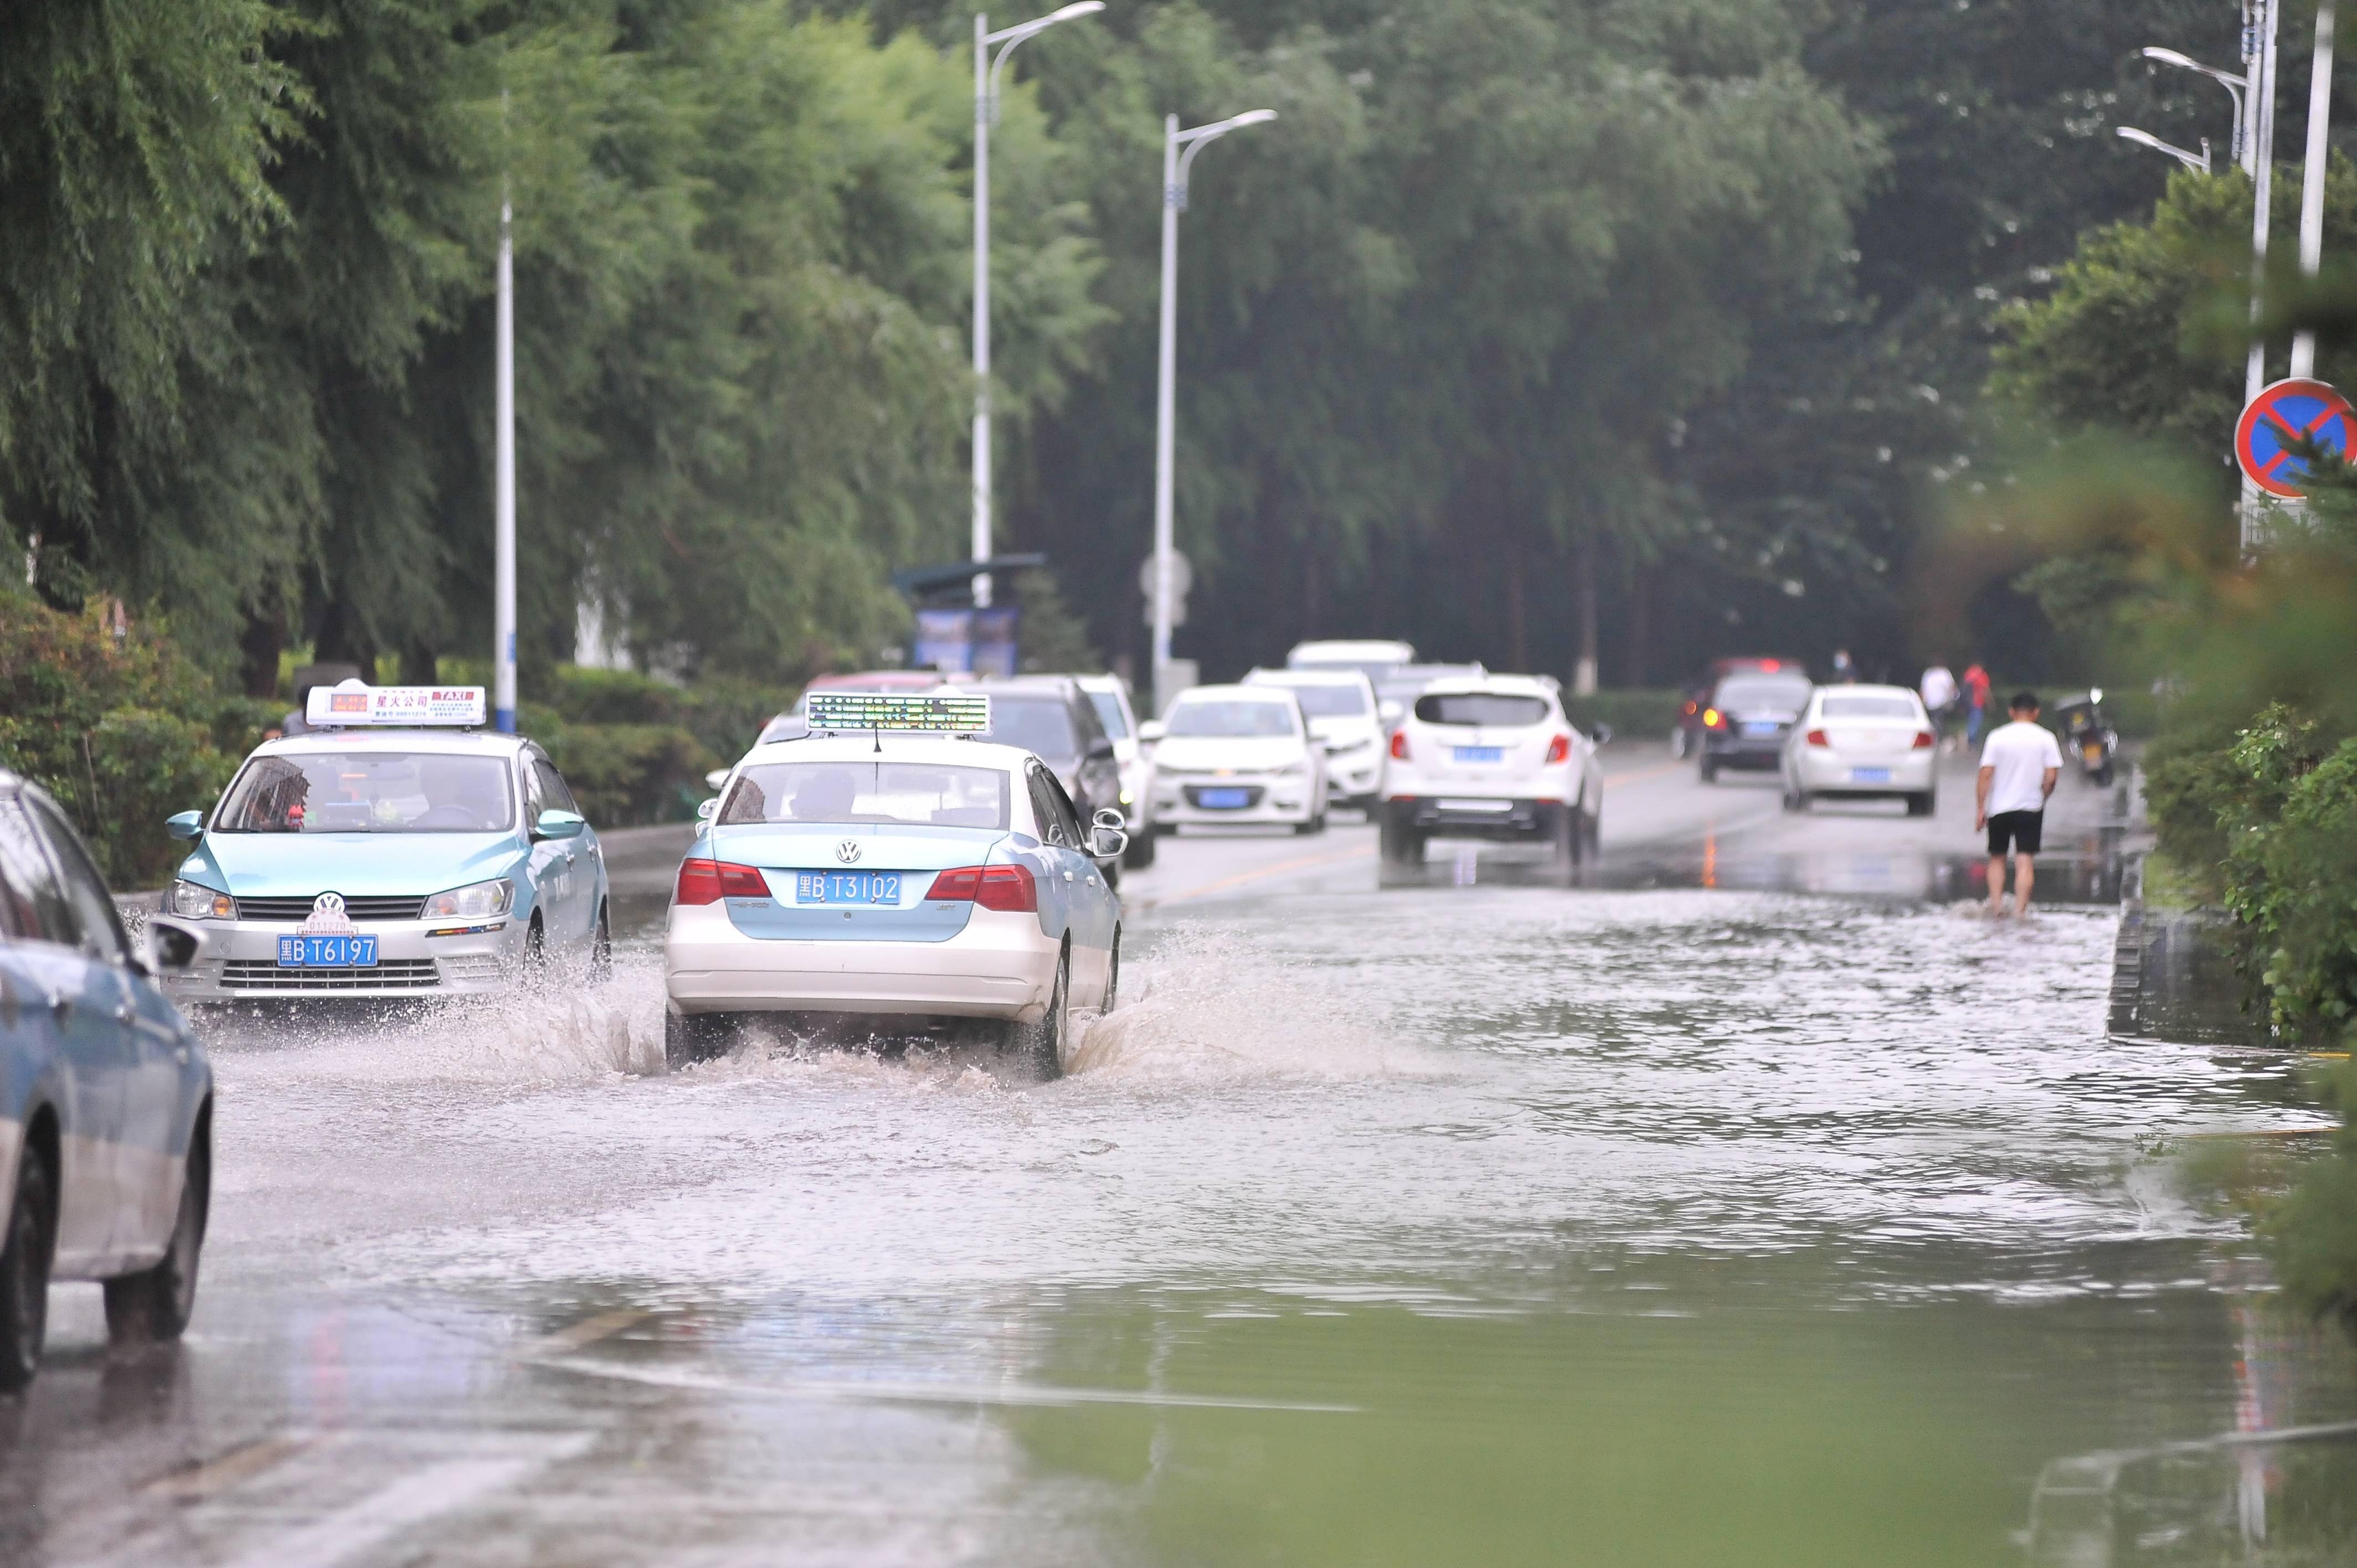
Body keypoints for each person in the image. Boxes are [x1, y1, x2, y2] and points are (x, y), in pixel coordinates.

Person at [1975, 690, 2062, 917]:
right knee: (2025, 860)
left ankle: (1996, 908)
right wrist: (2043, 795)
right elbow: (2052, 776)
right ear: (2036, 713)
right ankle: (2020, 912)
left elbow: (1986, 774)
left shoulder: (1997, 737)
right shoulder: (2046, 738)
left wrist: (1980, 809)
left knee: (1997, 858)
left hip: (1999, 808)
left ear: (2011, 712)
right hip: (2030, 807)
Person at [1919, 661, 1958, 745]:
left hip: (1934, 704)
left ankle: (1937, 739)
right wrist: (1952, 699)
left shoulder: (1929, 674)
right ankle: (1939, 739)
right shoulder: (1943, 673)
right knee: (1938, 722)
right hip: (1938, 703)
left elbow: (1923, 690)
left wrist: (1922, 703)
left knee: (1937, 722)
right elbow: (1951, 688)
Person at [1960, 661, 1991, 746]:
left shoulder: (1969, 673)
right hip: (1977, 702)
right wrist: (1990, 703)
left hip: (1967, 702)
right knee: (1976, 721)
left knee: (1970, 721)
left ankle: (1969, 739)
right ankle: (1971, 741)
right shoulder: (1982, 675)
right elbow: (1985, 690)